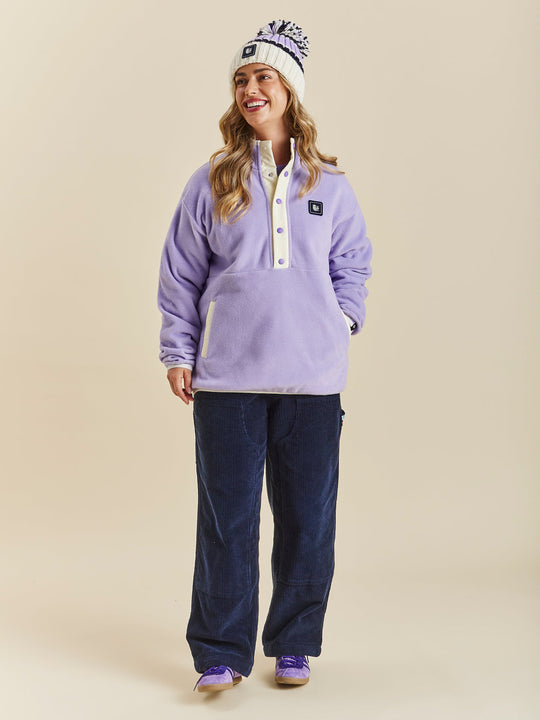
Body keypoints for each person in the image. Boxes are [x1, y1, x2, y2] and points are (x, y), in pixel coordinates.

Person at [157, 19, 373, 693]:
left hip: (313, 381)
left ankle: (294, 644)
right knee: (227, 521)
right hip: (228, 381)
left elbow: (353, 263)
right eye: (241, 79)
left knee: (308, 520)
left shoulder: (329, 185)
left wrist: (341, 319)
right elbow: (180, 275)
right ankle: (220, 652)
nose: (251, 88)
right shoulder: (211, 181)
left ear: (291, 90)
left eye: (264, 76)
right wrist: (178, 351)